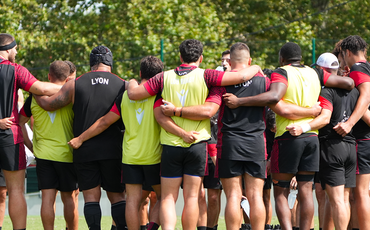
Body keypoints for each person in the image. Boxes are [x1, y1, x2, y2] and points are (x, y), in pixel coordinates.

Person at [127, 39, 264, 230]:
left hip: (171, 145)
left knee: (167, 197)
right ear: (200, 58)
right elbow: (240, 79)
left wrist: (130, 82)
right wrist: (256, 66)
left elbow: (134, 94)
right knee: (192, 197)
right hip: (197, 143)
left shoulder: (163, 78)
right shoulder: (207, 76)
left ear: (180, 56)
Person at [221, 42, 354, 230]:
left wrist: (240, 101)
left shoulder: (281, 72)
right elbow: (348, 83)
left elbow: (275, 99)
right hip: (311, 137)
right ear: (301, 58)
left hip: (288, 137)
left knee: (281, 192)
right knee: (306, 192)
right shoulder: (314, 72)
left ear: (281, 59)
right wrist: (312, 110)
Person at [35, 46, 127, 230]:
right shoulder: (123, 85)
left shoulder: (75, 83)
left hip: (84, 151)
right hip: (114, 150)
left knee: (91, 197)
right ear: (110, 62)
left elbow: (50, 105)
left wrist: (34, 92)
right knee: (117, 196)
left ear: (91, 63)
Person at [68, 56, 164, 230]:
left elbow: (104, 121)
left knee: (131, 201)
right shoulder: (160, 95)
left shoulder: (125, 97)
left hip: (129, 156)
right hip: (154, 155)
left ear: (141, 72)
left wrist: (80, 138)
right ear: (160, 75)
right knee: (164, 197)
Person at [0, 33, 61, 229]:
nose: (16, 52)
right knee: (16, 190)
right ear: (8, 49)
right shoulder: (15, 70)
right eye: (15, 48)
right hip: (10, 137)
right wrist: (72, 87)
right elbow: (41, 89)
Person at [19, 60, 79, 230]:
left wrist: (31, 146)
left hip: (43, 155)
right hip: (67, 153)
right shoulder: (71, 96)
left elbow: (20, 122)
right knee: (69, 198)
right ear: (68, 79)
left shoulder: (33, 98)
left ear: (48, 76)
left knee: (47, 198)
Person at [215, 42, 269, 230]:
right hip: (256, 143)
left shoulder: (222, 80)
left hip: (229, 143)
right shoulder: (263, 81)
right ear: (250, 60)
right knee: (256, 195)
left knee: (233, 196)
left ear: (229, 60)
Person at [335, 35, 370, 230]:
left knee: (360, 193)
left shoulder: (358, 68)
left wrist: (349, 123)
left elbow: (365, 97)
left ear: (347, 53)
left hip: (362, 139)